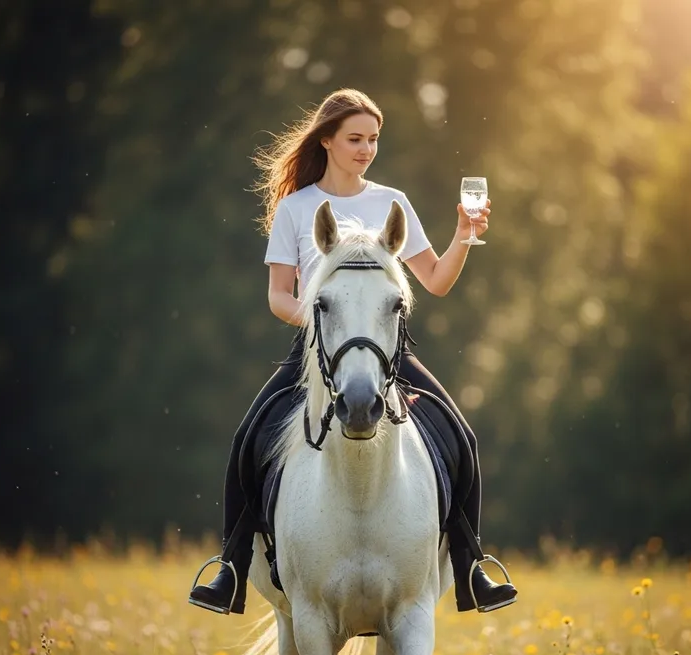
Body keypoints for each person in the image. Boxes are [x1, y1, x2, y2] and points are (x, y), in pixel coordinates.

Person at [189, 88, 518, 616]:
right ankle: (229, 566)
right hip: (318, 352)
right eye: (355, 139)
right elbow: (278, 296)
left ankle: (471, 565)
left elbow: (434, 281)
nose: (366, 149)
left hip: (387, 352)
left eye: (373, 140)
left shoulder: (392, 202)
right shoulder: (297, 209)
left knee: (463, 437)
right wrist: (330, 326)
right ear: (328, 140)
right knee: (245, 441)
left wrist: (462, 236)